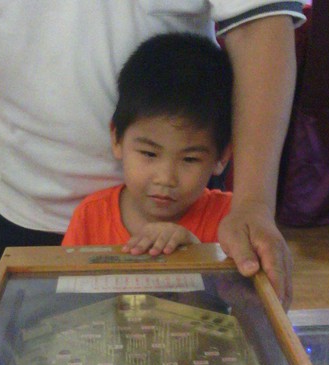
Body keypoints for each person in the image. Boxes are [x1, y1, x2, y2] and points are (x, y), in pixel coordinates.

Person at [0, 2, 307, 340]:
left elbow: (258, 23)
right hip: (10, 201)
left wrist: (252, 201)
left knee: (189, 361)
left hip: (181, 215)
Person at [62, 33, 232, 254]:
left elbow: (246, 277)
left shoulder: (229, 219)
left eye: (189, 159)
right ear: (117, 138)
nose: (166, 178)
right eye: (149, 154)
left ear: (222, 157)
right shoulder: (90, 217)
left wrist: (197, 254)